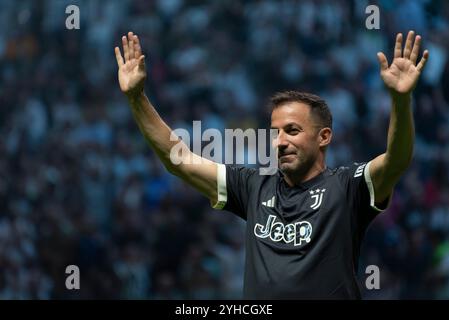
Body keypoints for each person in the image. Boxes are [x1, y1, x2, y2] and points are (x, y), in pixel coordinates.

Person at [114, 30, 429, 299]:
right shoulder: (253, 185)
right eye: (275, 133)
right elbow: (178, 160)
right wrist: (137, 98)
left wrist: (401, 102)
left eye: (292, 131)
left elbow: (397, 159)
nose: (280, 141)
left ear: (324, 137)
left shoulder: (347, 187)